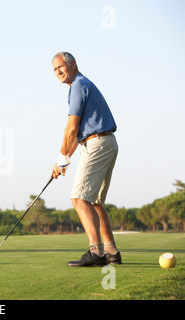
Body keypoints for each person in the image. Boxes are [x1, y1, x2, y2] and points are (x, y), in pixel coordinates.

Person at [50, 52, 121, 267]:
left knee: (79, 199)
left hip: (97, 143)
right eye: (54, 70)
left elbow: (71, 129)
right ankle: (111, 251)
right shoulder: (80, 85)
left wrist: (62, 157)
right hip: (105, 142)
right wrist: (63, 161)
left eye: (61, 66)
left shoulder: (78, 86)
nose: (58, 72)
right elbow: (77, 133)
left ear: (73, 64)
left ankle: (96, 253)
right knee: (94, 202)